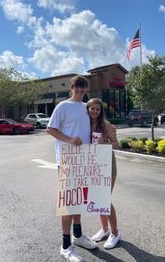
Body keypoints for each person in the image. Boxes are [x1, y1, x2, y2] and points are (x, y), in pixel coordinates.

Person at [47, 75, 97, 262]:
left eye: (83, 88)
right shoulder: (63, 106)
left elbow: (95, 125)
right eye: (77, 88)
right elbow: (51, 129)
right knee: (68, 203)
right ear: (71, 88)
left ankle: (78, 236)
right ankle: (66, 246)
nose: (80, 91)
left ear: (86, 90)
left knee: (79, 199)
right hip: (67, 161)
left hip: (84, 160)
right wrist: (69, 140)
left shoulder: (86, 108)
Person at [87, 98, 121, 249]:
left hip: (107, 164)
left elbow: (116, 144)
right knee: (97, 199)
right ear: (87, 109)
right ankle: (105, 230)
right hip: (93, 166)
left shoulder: (105, 125)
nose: (94, 111)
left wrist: (104, 144)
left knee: (105, 199)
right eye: (92, 108)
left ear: (101, 111)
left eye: (97, 109)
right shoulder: (85, 124)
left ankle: (115, 233)